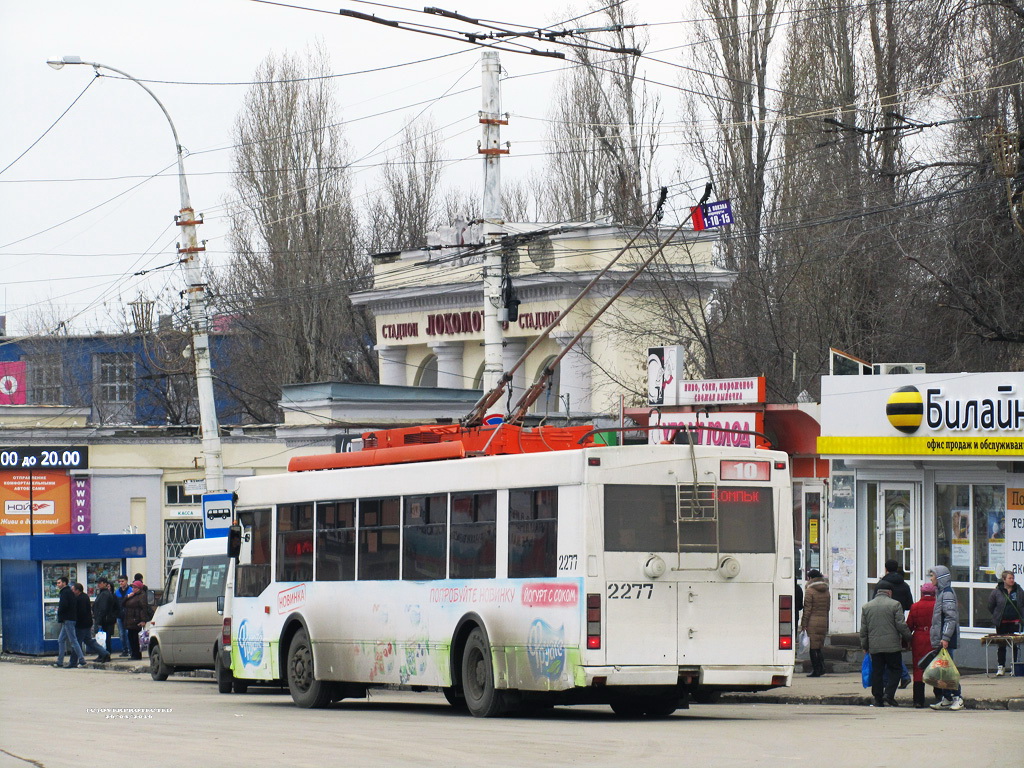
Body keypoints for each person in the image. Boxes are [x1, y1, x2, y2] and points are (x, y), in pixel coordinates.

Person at [860, 587, 911, 707]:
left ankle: (878, 699)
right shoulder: (895, 604)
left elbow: (864, 629)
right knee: (896, 669)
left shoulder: (867, 607)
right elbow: (901, 625)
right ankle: (889, 694)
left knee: (877, 671)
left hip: (875, 646)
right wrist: (908, 637)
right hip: (892, 646)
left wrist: (865, 645)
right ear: (889, 593)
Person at [928, 565, 965, 711]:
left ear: (940, 578)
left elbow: (950, 618)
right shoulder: (941, 592)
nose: (931, 579)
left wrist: (945, 637)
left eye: (932, 576)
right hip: (942, 638)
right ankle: (947, 698)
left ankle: (957, 697)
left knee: (948, 670)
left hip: (946, 639)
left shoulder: (947, 593)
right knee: (942, 670)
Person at [987, 570, 1023, 676]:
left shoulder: (1019, 590)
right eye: (1009, 578)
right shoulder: (997, 591)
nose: (1012, 580)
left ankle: (1014, 666)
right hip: (1001, 622)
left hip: (1015, 622)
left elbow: (1022, 604)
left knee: (1014, 645)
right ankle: (1001, 666)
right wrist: (997, 615)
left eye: (1013, 578)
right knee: (1001, 645)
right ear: (1004, 579)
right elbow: (990, 606)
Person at [907, 582, 937, 708]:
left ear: (922, 593)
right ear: (934, 593)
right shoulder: (937, 606)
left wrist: (906, 641)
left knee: (918, 668)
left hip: (919, 639)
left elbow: (909, 625)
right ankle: (939, 696)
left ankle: (918, 700)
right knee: (936, 667)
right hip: (934, 638)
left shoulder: (915, 606)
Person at [800, 569, 830, 677]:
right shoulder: (826, 590)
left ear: (810, 578)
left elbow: (807, 609)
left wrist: (804, 624)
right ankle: (821, 668)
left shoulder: (810, 591)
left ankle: (816, 670)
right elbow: (827, 608)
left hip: (812, 622)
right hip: (823, 621)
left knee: (813, 647)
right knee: (818, 646)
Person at [71, 583, 111, 664]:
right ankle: (104, 653)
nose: (72, 591)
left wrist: (75, 619)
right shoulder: (85, 596)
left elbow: (81, 612)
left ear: (77, 590)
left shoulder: (80, 599)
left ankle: (73, 661)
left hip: (81, 624)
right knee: (88, 640)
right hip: (87, 623)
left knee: (76, 642)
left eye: (73, 590)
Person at [52, 576, 85, 669]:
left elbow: (64, 605)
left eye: (59, 583)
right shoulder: (69, 592)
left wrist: (60, 613)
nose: (58, 585)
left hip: (68, 619)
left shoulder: (65, 592)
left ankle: (82, 660)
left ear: (64, 583)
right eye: (57, 583)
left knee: (73, 640)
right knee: (61, 640)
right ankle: (60, 661)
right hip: (68, 619)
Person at [122, 579, 153, 660]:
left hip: (136, 620)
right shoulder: (132, 595)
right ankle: (133, 654)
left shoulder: (142, 595)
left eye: (135, 587)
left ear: (139, 588)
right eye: (133, 587)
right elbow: (123, 604)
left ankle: (137, 655)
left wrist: (143, 620)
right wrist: (127, 597)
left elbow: (143, 608)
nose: (133, 589)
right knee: (130, 637)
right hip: (130, 620)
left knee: (135, 639)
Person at [92, 578, 118, 656]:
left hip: (105, 620)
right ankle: (103, 654)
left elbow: (103, 608)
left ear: (105, 584)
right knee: (101, 638)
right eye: (98, 583)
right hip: (103, 619)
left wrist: (99, 620)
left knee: (104, 639)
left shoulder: (105, 594)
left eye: (100, 583)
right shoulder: (101, 593)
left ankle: (105, 654)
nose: (98, 584)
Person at [114, 575, 133, 657]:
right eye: (120, 581)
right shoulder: (117, 592)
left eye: (122, 581)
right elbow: (115, 604)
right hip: (119, 616)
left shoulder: (131, 590)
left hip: (128, 616)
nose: (121, 583)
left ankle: (130, 650)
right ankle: (124, 650)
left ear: (126, 581)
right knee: (121, 634)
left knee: (128, 633)